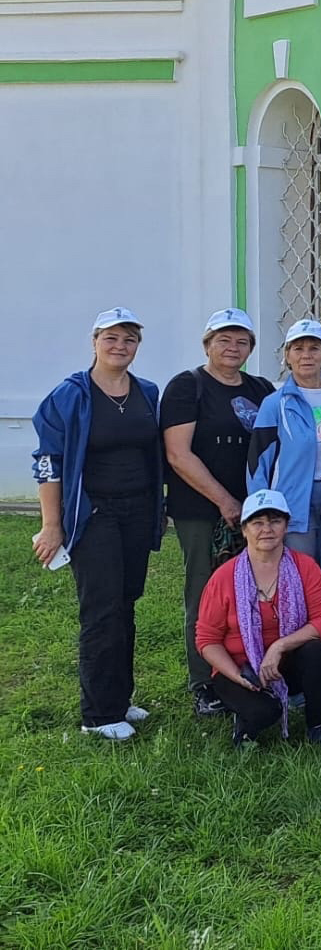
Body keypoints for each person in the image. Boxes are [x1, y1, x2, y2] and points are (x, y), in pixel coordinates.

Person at [31, 307, 164, 741]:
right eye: (111, 338)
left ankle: (118, 698)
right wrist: (52, 525)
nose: (120, 346)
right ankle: (98, 715)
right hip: (93, 514)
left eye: (129, 339)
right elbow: (48, 462)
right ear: (94, 342)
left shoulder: (146, 392)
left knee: (125, 603)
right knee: (102, 610)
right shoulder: (71, 395)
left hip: (137, 511)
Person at [161, 307, 276, 718]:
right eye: (223, 339)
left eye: (242, 341)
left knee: (256, 591)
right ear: (207, 344)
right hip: (202, 510)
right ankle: (204, 684)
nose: (233, 347)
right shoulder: (187, 387)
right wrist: (225, 501)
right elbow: (178, 455)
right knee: (206, 593)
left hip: (255, 511)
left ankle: (250, 671)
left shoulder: (262, 388)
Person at [194, 488, 321, 749]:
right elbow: (207, 640)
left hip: (286, 662)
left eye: (275, 521)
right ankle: (245, 722)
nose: (267, 529)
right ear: (244, 530)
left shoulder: (305, 567)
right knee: (264, 712)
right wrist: (237, 676)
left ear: (286, 526)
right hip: (240, 667)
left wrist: (279, 646)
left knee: (319, 652)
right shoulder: (223, 577)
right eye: (257, 523)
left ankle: (318, 727)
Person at [247, 319, 321, 658]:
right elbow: (258, 462)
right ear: (287, 355)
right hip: (296, 502)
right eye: (298, 348)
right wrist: (261, 511)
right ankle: (299, 666)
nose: (306, 355)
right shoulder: (276, 402)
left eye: (314, 348)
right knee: (299, 582)